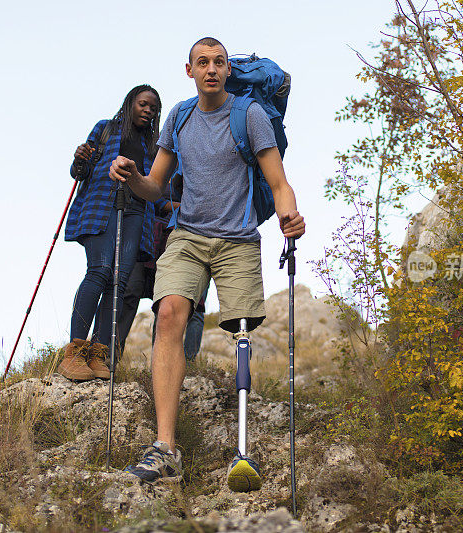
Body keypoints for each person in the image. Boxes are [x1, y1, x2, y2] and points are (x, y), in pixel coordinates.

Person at [108, 38, 305, 486]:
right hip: (188, 235)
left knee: (239, 331)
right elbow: (156, 186)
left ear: (227, 70)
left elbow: (278, 182)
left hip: (237, 239)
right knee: (169, 313)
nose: (212, 69)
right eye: (203, 62)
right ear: (189, 70)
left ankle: (243, 450)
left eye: (219, 62)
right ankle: (165, 450)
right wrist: (133, 176)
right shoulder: (178, 116)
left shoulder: (249, 115)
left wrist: (289, 216)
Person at [58, 85, 162, 382]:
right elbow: (80, 172)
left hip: (136, 214)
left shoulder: (154, 146)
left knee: (120, 282)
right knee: (100, 271)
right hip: (100, 207)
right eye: (143, 104)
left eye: (153, 108)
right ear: (130, 103)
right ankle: (75, 352)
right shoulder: (105, 130)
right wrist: (79, 158)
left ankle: (98, 353)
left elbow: (156, 185)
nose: (148, 111)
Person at [95, 173, 208, 361]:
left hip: (185, 237)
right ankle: (107, 356)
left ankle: (167, 364)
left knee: (174, 302)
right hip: (148, 232)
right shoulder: (157, 154)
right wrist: (188, 208)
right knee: (130, 291)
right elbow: (153, 196)